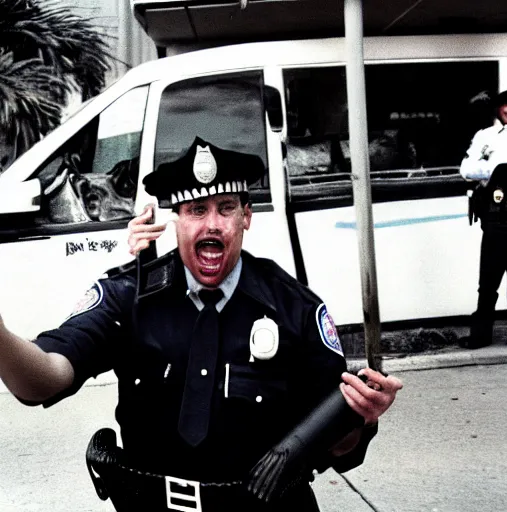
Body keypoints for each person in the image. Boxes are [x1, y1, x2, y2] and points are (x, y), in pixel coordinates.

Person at [0, 136, 402, 512]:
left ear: (246, 217)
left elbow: (340, 447)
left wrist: (361, 416)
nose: (212, 224)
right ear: (176, 220)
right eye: (196, 209)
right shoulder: (128, 298)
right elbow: (41, 380)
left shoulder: (295, 308)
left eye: (226, 208)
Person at [459, 88, 507, 349]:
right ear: (499, 108)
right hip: (496, 214)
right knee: (489, 279)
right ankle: (481, 336)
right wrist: (494, 169)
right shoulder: (486, 136)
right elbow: (467, 170)